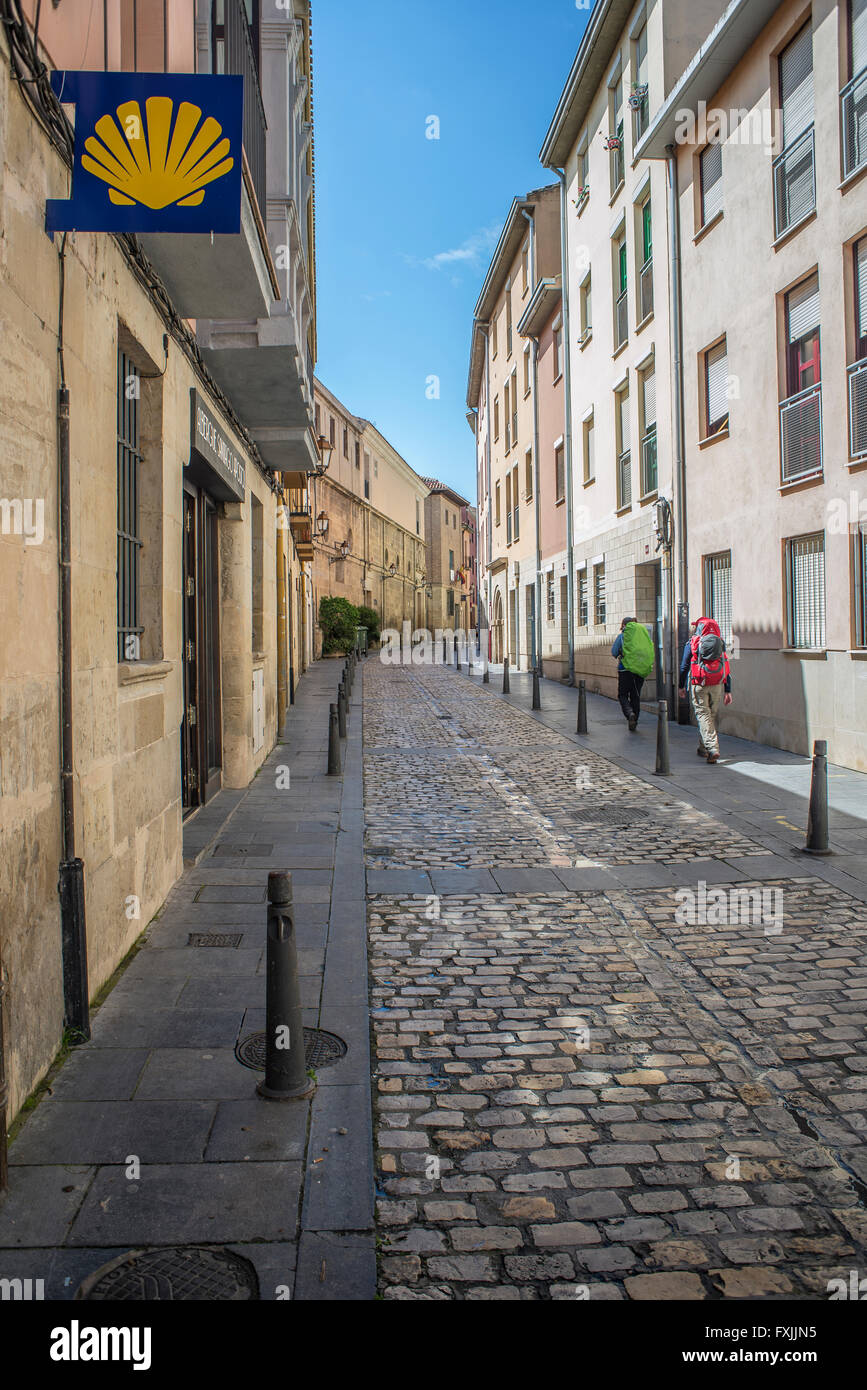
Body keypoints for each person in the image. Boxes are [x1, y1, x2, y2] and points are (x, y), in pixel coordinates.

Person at [678, 616, 732, 764]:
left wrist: (681, 686)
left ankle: (712, 748)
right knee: (710, 716)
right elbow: (726, 665)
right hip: (717, 684)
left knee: (703, 715)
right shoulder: (719, 642)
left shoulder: (693, 643)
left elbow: (684, 667)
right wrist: (728, 690)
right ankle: (703, 748)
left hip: (699, 683)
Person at [611, 616, 655, 732]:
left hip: (625, 670)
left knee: (623, 695)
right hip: (640, 670)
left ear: (624, 625)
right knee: (635, 695)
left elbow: (614, 652)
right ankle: (635, 720)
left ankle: (629, 713)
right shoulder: (644, 636)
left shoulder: (622, 636)